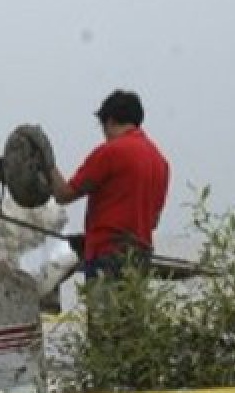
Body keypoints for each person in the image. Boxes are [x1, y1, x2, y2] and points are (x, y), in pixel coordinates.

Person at [46, 90, 170, 280]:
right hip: (141, 258)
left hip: (107, 256)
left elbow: (64, 194)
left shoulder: (111, 152)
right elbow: (152, 222)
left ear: (109, 121)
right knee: (130, 311)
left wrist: (46, 162)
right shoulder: (160, 162)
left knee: (103, 310)